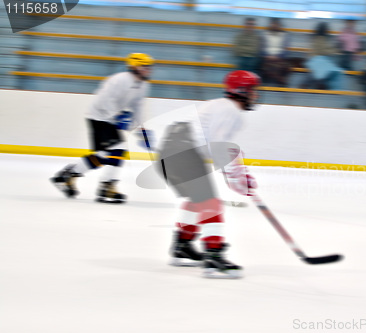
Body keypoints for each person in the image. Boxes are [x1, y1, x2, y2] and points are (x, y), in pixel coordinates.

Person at [156, 70, 260, 279]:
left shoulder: (218, 105)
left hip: (170, 151)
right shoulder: (232, 111)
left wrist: (238, 172)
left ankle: (182, 246)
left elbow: (219, 146)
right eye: (253, 91)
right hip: (183, 153)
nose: (256, 95)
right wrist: (236, 177)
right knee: (211, 203)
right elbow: (219, 146)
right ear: (242, 91)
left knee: (197, 200)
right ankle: (213, 257)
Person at [50, 53, 155, 203]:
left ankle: (66, 176)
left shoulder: (143, 86)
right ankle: (107, 187)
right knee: (118, 150)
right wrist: (117, 116)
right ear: (134, 66)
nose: (148, 70)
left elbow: (137, 107)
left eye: (149, 67)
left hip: (109, 119)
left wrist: (141, 130)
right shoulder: (120, 80)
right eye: (145, 66)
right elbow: (104, 100)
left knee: (104, 155)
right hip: (99, 117)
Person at [301, 22, 344, 90]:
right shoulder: (320, 38)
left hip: (317, 59)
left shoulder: (322, 38)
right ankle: (317, 84)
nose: (328, 30)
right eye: (327, 29)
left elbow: (326, 49)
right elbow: (322, 51)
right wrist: (335, 51)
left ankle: (316, 83)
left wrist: (335, 49)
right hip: (315, 59)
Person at [260, 17, 291, 87]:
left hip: (279, 58)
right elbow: (261, 48)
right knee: (265, 66)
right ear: (270, 24)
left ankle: (279, 81)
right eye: (273, 24)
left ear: (279, 25)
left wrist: (278, 57)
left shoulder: (285, 35)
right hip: (267, 58)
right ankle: (280, 79)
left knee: (286, 66)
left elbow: (286, 50)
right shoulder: (264, 34)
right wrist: (267, 56)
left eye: (277, 24)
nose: (275, 26)